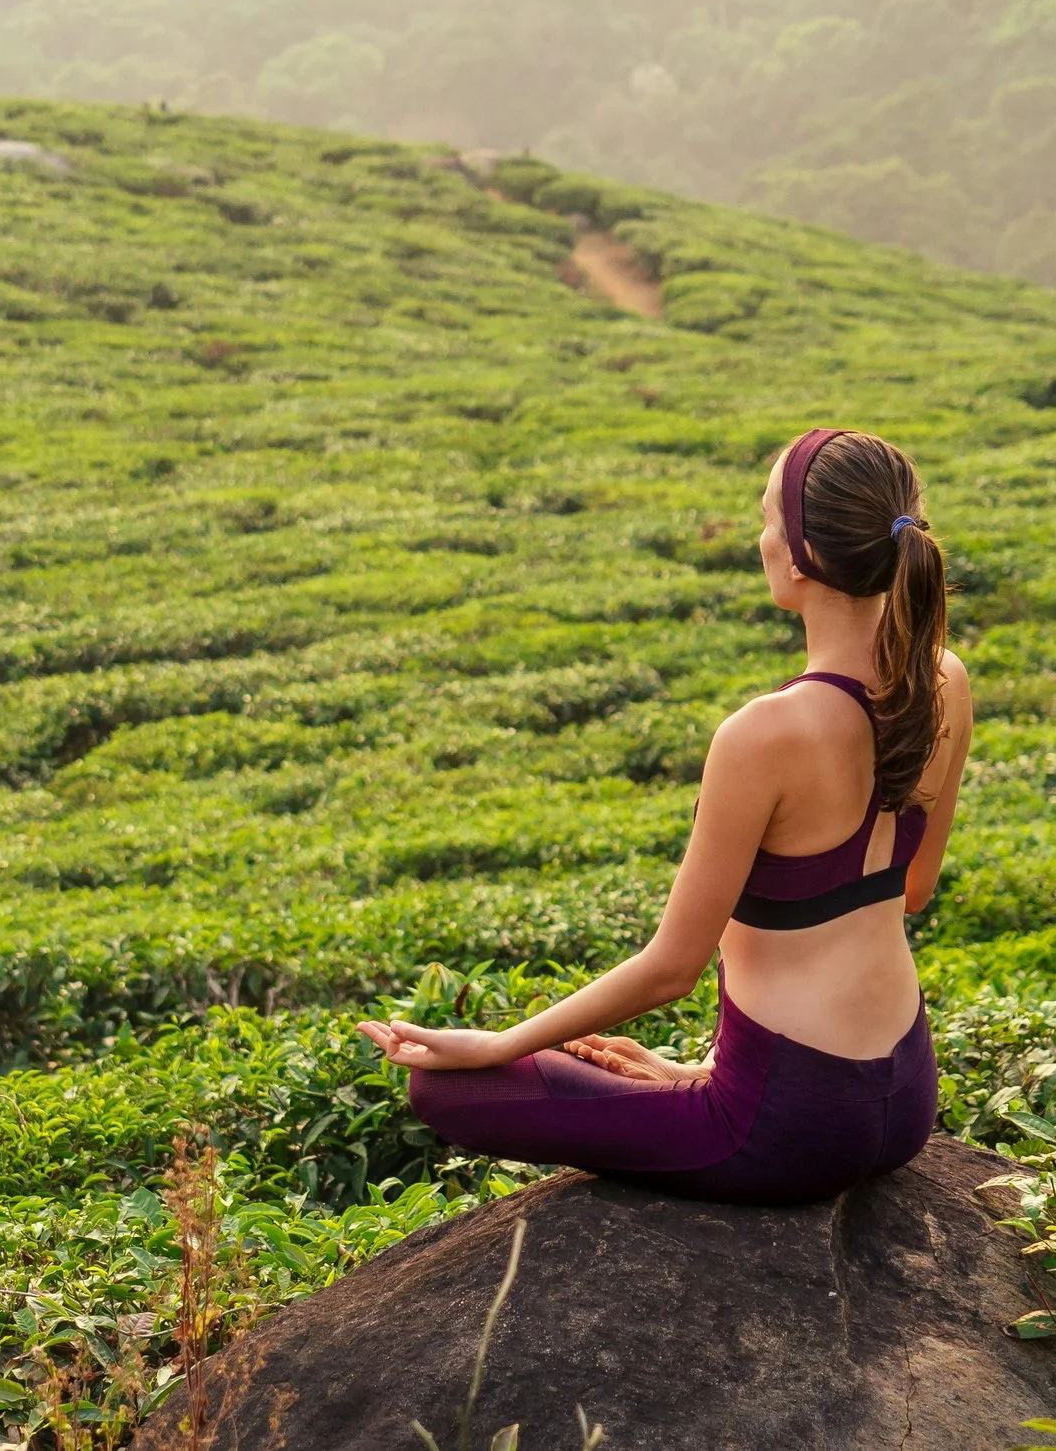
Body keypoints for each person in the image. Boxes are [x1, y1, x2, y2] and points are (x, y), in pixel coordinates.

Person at [357, 429, 971, 1204]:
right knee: (601, 1058)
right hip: (906, 1094)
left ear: (800, 557)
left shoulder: (766, 733)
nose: (761, 538)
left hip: (785, 1124)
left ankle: (701, 1087)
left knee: (445, 1090)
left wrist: (498, 1043)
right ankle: (704, 1077)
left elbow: (672, 968)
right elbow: (912, 888)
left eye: (767, 519)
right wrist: (693, 1069)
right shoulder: (944, 677)